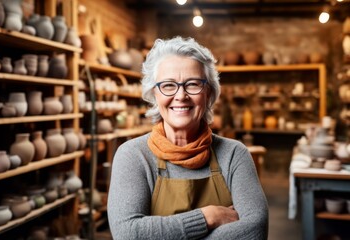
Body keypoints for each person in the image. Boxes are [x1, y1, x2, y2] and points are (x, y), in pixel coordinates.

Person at [107, 36, 268, 239]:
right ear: (154, 93)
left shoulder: (234, 154)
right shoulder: (133, 156)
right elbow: (127, 233)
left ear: (209, 93)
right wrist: (207, 217)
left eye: (193, 84)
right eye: (168, 85)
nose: (181, 96)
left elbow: (254, 230)